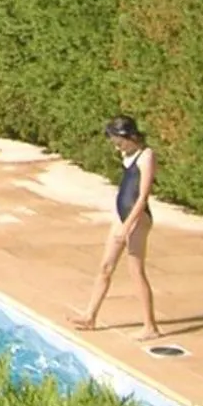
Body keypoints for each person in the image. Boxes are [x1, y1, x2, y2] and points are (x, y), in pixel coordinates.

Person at [69, 116, 163, 340]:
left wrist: (128, 226)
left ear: (129, 136)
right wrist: (121, 222)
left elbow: (142, 197)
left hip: (138, 220)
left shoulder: (146, 156)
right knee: (105, 267)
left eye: (119, 142)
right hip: (122, 217)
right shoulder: (126, 154)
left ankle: (150, 327)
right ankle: (90, 316)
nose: (117, 147)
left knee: (136, 271)